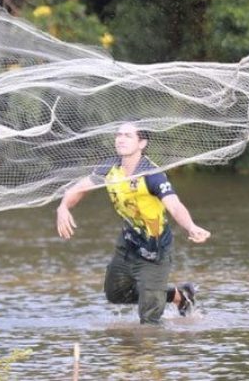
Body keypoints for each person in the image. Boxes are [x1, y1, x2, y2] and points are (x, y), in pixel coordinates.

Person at [56, 122, 211, 325]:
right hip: (127, 244)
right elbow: (79, 189)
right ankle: (179, 295)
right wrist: (63, 208)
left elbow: (174, 205)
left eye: (127, 136)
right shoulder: (109, 167)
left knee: (149, 320)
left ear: (142, 143)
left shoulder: (152, 174)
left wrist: (190, 226)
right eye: (118, 134)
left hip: (155, 249)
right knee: (115, 295)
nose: (120, 139)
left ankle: (147, 346)